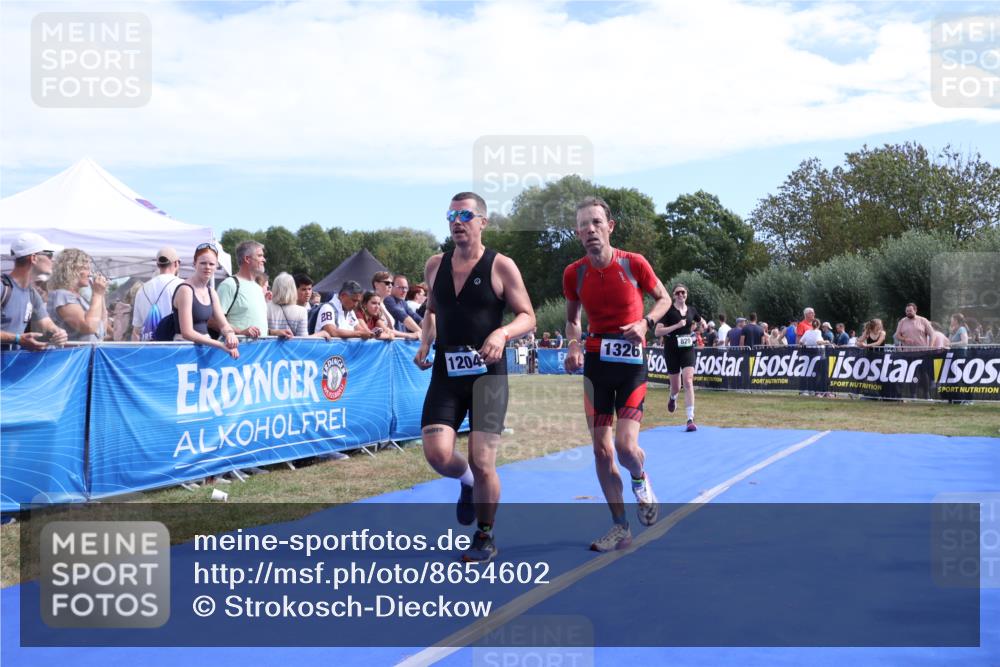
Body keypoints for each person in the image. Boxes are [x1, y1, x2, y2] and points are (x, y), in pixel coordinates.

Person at [414, 192, 535, 563]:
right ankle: (466, 481)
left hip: (488, 377)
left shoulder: (502, 266)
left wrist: (501, 334)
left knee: (483, 461)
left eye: (465, 214)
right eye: (451, 215)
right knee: (437, 455)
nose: (456, 221)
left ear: (483, 221)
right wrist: (424, 343)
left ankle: (485, 534)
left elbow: (528, 316)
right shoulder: (435, 265)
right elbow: (432, 312)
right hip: (446, 374)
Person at [563, 196, 671, 552]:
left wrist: (645, 322)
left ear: (610, 227)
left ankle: (641, 480)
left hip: (630, 366)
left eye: (596, 222)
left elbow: (664, 298)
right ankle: (620, 527)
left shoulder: (634, 263)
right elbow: (571, 320)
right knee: (601, 450)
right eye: (584, 225)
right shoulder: (574, 273)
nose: (590, 229)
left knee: (625, 447)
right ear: (578, 233)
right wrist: (575, 346)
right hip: (596, 366)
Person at [1, 232, 68, 351]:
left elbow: (46, 323)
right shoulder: (2, 287)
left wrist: (58, 333)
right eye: (50, 255)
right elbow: (19, 338)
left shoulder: (32, 294)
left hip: (10, 367)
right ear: (34, 258)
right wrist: (17, 339)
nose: (53, 260)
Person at [171, 243, 240, 359]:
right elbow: (187, 332)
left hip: (203, 350)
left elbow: (223, 324)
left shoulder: (211, 292)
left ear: (216, 266)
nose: (207, 267)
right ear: (194, 264)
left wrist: (230, 333)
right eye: (203, 263)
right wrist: (220, 344)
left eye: (211, 264)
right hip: (184, 351)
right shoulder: (185, 290)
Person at [218, 241, 291, 339]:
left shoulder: (258, 288)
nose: (264, 260)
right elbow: (213, 321)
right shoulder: (229, 285)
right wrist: (241, 332)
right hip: (238, 351)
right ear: (247, 259)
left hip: (259, 351)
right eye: (260, 256)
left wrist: (274, 332)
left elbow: (255, 325)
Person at [654, 283, 701, 432]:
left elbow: (699, 321)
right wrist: (676, 326)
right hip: (671, 350)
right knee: (676, 387)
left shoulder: (692, 310)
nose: (681, 295)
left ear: (686, 294)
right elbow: (657, 332)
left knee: (688, 381)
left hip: (687, 349)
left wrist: (702, 325)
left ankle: (690, 419)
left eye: (683, 292)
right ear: (673, 295)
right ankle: (673, 398)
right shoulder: (668, 311)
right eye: (677, 293)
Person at [47, 248, 108, 343]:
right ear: (72, 269)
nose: (90, 273)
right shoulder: (62, 295)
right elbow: (89, 327)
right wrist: (97, 294)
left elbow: (101, 329)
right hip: (73, 355)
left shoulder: (80, 298)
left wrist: (100, 293)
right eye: (87, 268)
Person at [132, 247, 183, 341]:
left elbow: (136, 331)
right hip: (173, 347)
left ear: (157, 264)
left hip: (148, 348)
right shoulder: (183, 286)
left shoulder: (141, 289)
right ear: (177, 263)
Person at [267, 272, 316, 338]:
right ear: (293, 289)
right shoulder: (301, 311)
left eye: (309, 289)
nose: (307, 292)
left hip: (268, 348)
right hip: (292, 348)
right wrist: (321, 334)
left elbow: (261, 332)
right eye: (304, 289)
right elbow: (303, 340)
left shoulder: (265, 307)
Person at [385, 274, 422, 340]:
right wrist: (421, 332)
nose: (404, 290)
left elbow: (416, 317)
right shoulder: (388, 299)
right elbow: (401, 315)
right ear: (392, 286)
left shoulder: (403, 303)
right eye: (400, 287)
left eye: (406, 288)